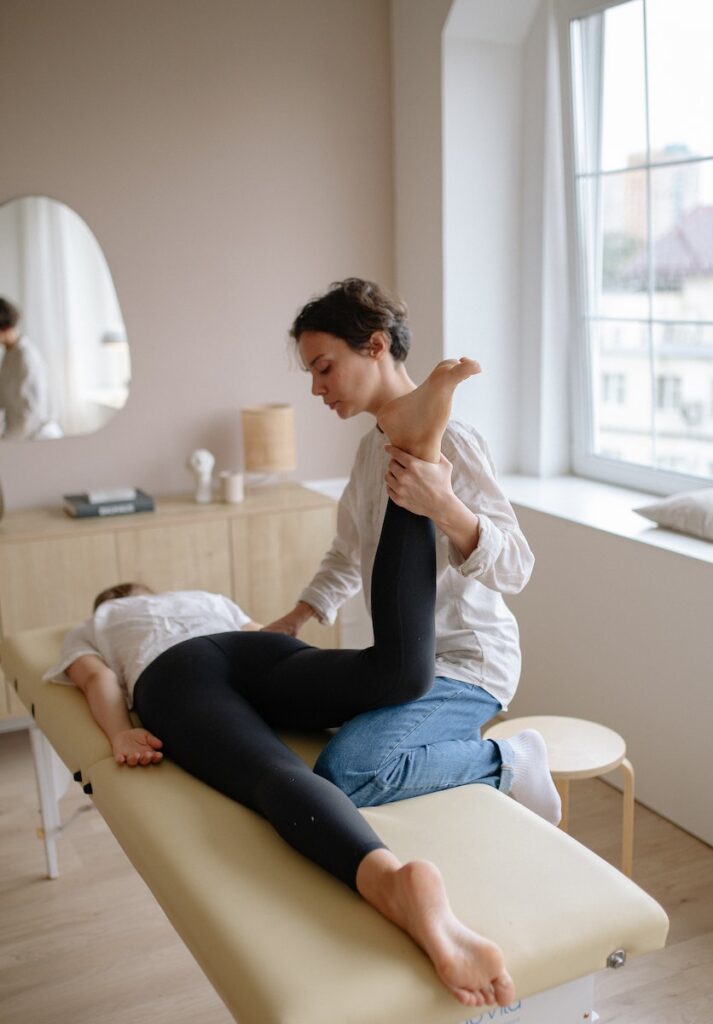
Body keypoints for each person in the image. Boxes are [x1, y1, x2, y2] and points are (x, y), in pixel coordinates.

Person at [46, 360, 516, 1012]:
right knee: (389, 671)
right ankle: (417, 445)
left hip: (178, 674)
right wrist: (295, 640)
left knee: (272, 776)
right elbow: (270, 642)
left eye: (324, 367)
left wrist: (120, 729)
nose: (317, 385)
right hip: (250, 651)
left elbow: (96, 678)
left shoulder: (101, 621)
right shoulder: (191, 601)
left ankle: (392, 886)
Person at [266, 278, 561, 826]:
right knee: (277, 711)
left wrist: (445, 506)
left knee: (347, 772)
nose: (316, 389)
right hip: (400, 666)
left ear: (375, 346)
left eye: (324, 367)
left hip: (468, 665)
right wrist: (298, 616)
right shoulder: (366, 453)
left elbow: (517, 567)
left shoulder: (453, 441)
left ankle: (513, 761)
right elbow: (346, 551)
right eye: (311, 373)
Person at [0, 297, 61, 440]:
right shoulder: (9, 355)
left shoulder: (25, 356)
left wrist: (6, 442)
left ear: (6, 327)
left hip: (36, 439)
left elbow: (31, 414)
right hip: (18, 435)